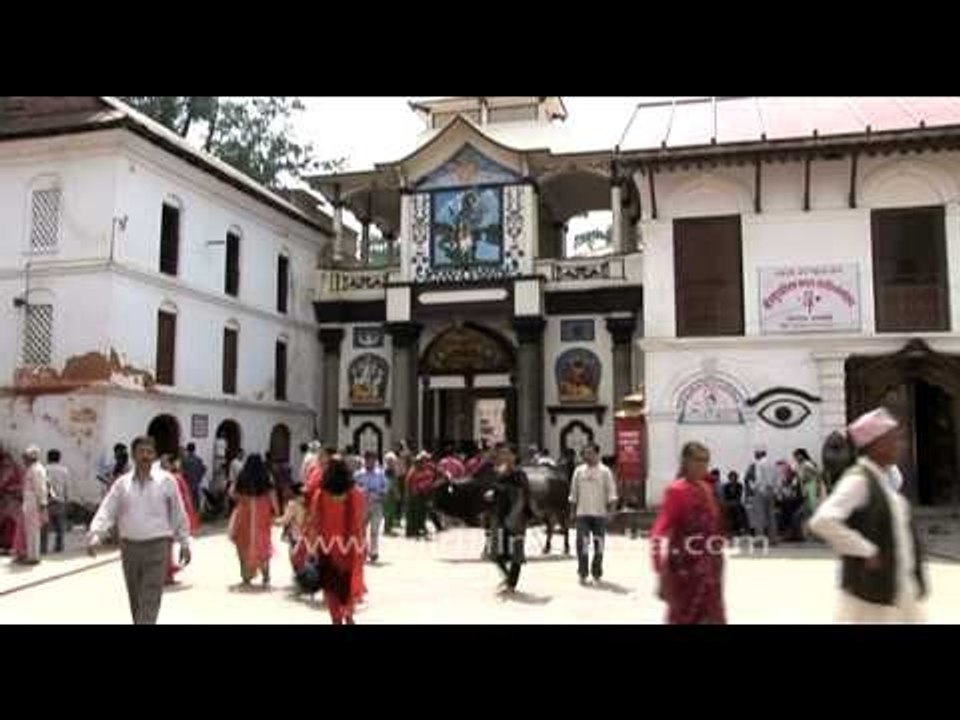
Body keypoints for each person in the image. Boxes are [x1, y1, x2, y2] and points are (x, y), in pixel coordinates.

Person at [808, 408, 927, 623]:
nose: (900, 445)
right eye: (893, 439)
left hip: (898, 590)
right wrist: (866, 550)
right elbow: (823, 521)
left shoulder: (883, 480)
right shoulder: (859, 480)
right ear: (876, 445)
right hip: (872, 600)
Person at [87, 436, 192, 625]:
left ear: (154, 455)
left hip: (158, 546)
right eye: (141, 452)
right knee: (136, 599)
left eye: (149, 452)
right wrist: (96, 533)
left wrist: (184, 542)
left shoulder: (167, 481)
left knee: (150, 598)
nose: (145, 456)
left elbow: (178, 512)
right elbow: (108, 509)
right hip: (129, 548)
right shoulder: (122, 484)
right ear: (133, 455)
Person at [650, 441, 726, 625]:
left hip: (710, 573)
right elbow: (658, 533)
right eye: (697, 460)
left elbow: (714, 528)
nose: (702, 466)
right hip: (684, 573)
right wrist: (660, 571)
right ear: (685, 462)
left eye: (705, 461)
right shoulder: (676, 491)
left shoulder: (706, 489)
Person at [297, 458, 366, 624]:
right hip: (350, 547)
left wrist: (310, 547)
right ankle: (348, 612)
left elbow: (314, 522)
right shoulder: (356, 493)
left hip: (327, 547)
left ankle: (336, 618)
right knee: (348, 580)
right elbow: (360, 520)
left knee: (330, 584)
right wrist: (362, 544)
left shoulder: (321, 495)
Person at [484, 443, 531, 595]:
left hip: (516, 517)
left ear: (514, 456)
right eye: (502, 453)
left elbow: (522, 497)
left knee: (516, 552)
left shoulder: (520, 475)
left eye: (507, 453)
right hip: (499, 515)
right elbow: (495, 489)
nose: (504, 456)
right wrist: (491, 493)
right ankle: (507, 577)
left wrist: (514, 515)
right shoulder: (499, 473)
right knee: (497, 553)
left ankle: (511, 583)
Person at [568, 442, 617, 585]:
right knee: (582, 544)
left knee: (598, 545)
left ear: (597, 454)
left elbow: (612, 494)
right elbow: (573, 493)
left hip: (599, 515)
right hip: (582, 515)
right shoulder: (579, 471)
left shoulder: (605, 472)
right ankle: (583, 572)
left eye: (590, 453)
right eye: (585, 453)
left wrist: (611, 512)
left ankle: (597, 571)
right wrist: (572, 512)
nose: (587, 456)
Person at [229, 453, 279, 587]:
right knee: (262, 542)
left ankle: (245, 575)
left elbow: (233, 494)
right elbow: (272, 495)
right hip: (262, 512)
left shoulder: (242, 476)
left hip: (244, 512)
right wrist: (276, 512)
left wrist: (243, 499)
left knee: (243, 543)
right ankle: (266, 575)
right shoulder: (266, 476)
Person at [160, 455, 199, 584]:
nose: (162, 465)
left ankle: (166, 574)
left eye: (165, 463)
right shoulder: (162, 478)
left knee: (167, 545)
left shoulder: (174, 478)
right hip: (163, 516)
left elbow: (183, 499)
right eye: (162, 463)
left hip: (172, 515)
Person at [13, 446, 48, 565]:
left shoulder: (37, 470)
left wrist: (42, 503)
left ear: (31, 458)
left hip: (34, 503)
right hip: (29, 503)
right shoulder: (32, 469)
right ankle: (30, 554)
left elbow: (40, 488)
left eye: (25, 457)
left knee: (33, 531)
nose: (24, 460)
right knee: (29, 530)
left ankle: (33, 557)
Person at [355, 451, 387, 563]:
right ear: (365, 460)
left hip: (376, 504)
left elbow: (385, 486)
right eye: (368, 459)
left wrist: (381, 493)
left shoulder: (380, 474)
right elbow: (354, 488)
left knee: (374, 530)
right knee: (361, 529)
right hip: (363, 504)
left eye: (372, 459)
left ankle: (374, 551)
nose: (370, 462)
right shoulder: (359, 474)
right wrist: (362, 491)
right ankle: (363, 550)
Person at [745, 447, 779, 544]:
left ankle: (760, 539)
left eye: (755, 453)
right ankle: (773, 538)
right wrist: (775, 490)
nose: (754, 455)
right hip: (771, 491)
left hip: (761, 491)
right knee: (771, 516)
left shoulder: (759, 464)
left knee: (759, 516)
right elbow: (777, 478)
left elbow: (759, 479)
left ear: (759, 454)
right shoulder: (773, 464)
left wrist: (752, 486)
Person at [41, 449, 70, 555]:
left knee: (44, 526)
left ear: (48, 458)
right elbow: (67, 486)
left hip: (46, 501)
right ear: (59, 458)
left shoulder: (44, 470)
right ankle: (59, 546)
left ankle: (43, 547)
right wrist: (67, 499)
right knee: (60, 525)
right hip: (60, 500)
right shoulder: (64, 471)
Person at [0, 445, 24, 555]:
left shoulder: (16, 470)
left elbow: (22, 485)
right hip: (5, 501)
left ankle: (11, 546)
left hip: (12, 502)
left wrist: (12, 489)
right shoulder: (6, 469)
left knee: (11, 524)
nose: (6, 464)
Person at [405, 451, 435, 539]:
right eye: (425, 460)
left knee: (422, 513)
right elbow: (410, 484)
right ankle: (413, 530)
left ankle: (420, 528)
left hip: (423, 495)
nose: (427, 462)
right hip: (415, 496)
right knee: (414, 513)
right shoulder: (413, 471)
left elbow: (430, 479)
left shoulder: (427, 469)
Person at [794, 448, 824, 535]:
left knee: (813, 509)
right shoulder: (800, 465)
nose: (796, 458)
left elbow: (817, 474)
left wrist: (818, 487)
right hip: (806, 488)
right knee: (808, 510)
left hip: (811, 486)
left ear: (802, 455)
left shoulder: (807, 464)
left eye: (797, 455)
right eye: (795, 456)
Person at [181, 443, 206, 515]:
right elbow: (203, 469)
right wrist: (199, 478)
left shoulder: (184, 460)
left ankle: (189, 515)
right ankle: (196, 514)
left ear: (187, 450)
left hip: (187, 483)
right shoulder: (198, 459)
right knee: (196, 500)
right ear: (194, 449)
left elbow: (182, 472)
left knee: (188, 499)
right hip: (196, 482)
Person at [721, 471, 748, 537]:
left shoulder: (739, 485)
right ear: (729, 478)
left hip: (736, 502)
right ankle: (729, 529)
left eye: (734, 477)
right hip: (729, 502)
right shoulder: (726, 486)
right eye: (731, 477)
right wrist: (729, 501)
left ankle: (741, 528)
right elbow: (726, 496)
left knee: (740, 510)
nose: (732, 479)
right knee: (728, 509)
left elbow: (739, 495)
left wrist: (734, 501)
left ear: (736, 478)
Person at [382, 451, 402, 536]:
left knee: (391, 510)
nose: (392, 462)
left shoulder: (391, 470)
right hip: (388, 493)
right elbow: (391, 483)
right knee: (388, 511)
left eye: (393, 461)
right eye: (390, 461)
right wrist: (396, 493)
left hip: (390, 493)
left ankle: (389, 527)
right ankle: (387, 528)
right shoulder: (388, 470)